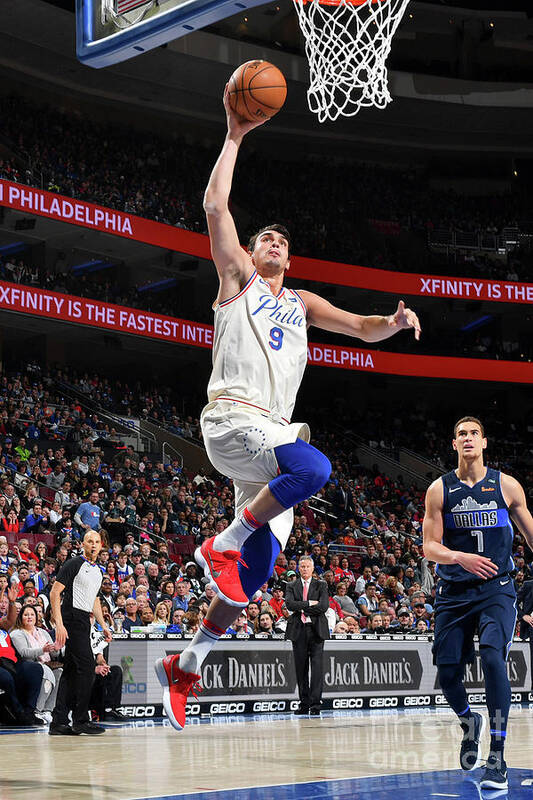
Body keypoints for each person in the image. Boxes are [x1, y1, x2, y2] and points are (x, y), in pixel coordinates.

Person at [154, 88, 421, 732]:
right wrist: (234, 134)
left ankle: (185, 664)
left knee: (253, 578)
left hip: (267, 435)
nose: (271, 241)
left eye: (280, 239)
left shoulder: (301, 303)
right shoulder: (237, 278)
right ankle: (222, 540)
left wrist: (392, 319)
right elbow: (215, 206)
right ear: (251, 250)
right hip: (232, 420)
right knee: (317, 470)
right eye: (263, 236)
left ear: (290, 259)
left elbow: (361, 326)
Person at [423, 416, 533, 790]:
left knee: (491, 655)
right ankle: (470, 722)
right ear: (454, 445)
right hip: (454, 593)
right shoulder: (440, 490)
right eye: (461, 435)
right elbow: (429, 547)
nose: (467, 439)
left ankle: (498, 756)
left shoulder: (506, 486)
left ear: (484, 442)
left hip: (496, 590)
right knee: (449, 675)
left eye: (473, 433)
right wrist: (459, 557)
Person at [49, 530, 112, 736]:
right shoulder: (74, 564)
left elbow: (94, 599)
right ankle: (80, 720)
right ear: (83, 544)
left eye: (96, 542)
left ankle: (58, 722)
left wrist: (103, 625)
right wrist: (59, 623)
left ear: (101, 546)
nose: (93, 545)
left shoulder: (98, 571)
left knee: (71, 671)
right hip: (71, 617)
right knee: (86, 667)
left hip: (84, 619)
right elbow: (55, 592)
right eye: (89, 541)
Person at [284, 555, 329, 715]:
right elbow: (289, 604)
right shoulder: (291, 585)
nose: (304, 569)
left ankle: (315, 705)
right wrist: (309, 603)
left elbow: (323, 606)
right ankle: (304, 703)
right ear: (298, 568)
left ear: (312, 568)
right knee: (300, 669)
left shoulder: (321, 585)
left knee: (317, 669)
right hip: (298, 630)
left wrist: (300, 607)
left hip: (316, 631)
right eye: (302, 566)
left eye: (307, 567)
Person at [10, 603, 63, 723]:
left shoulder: (43, 633)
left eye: (32, 614)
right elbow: (24, 653)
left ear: (36, 617)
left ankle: (48, 710)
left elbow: (54, 654)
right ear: (20, 617)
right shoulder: (17, 633)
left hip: (45, 664)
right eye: (26, 615)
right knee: (43, 670)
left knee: (59, 672)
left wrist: (56, 647)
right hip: (26, 666)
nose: (29, 617)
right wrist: (43, 650)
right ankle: (37, 710)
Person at [0, 586, 44, 726]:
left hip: (12, 662)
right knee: (5, 677)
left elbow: (10, 621)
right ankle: (18, 712)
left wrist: (12, 603)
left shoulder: (2, 624)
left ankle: (29, 711)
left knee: (35, 669)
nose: (2, 604)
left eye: (4, 602)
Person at [89, 614, 126, 723]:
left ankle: (111, 708)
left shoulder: (94, 633)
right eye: (88, 617)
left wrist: (103, 664)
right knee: (97, 674)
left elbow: (99, 656)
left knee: (115, 671)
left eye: (91, 617)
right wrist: (94, 668)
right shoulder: (77, 632)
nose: (90, 619)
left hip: (94, 666)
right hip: (82, 669)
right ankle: (94, 710)